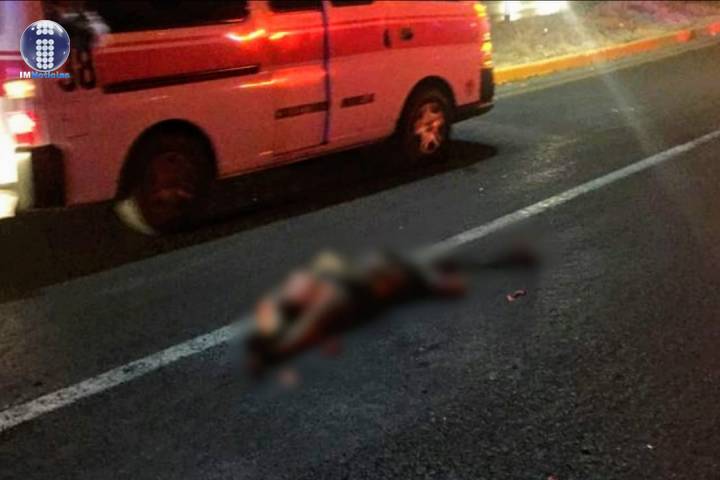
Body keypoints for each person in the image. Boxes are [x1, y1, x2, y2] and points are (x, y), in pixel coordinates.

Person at [245, 250, 466, 374]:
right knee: (314, 301)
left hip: (356, 291)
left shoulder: (417, 279)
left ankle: (277, 349)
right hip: (351, 284)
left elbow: (450, 287)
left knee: (319, 310)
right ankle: (277, 341)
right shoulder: (411, 272)